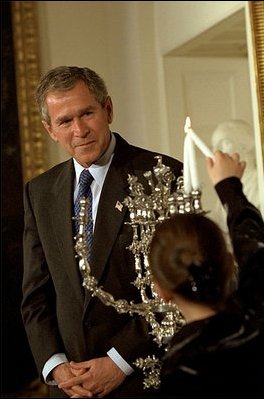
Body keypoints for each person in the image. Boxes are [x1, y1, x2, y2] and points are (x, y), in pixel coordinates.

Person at [21, 66, 182, 398]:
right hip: (70, 388)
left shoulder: (160, 175)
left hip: (141, 379)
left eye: (87, 113)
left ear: (107, 109)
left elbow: (178, 287)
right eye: (65, 121)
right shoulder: (39, 192)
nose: (79, 130)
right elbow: (36, 296)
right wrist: (55, 366)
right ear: (49, 129)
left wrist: (118, 362)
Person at [148, 150, 264, 398]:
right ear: (229, 263)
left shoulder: (181, 364)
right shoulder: (257, 310)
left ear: (160, 289)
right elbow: (251, 244)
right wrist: (228, 186)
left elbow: (252, 249)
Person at [210, 119, 259, 236]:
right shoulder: (228, 187)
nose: (217, 152)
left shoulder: (259, 182)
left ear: (245, 145)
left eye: (224, 143)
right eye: (215, 146)